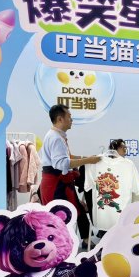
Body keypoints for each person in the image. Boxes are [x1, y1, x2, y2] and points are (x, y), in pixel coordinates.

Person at [39, 104, 99, 246]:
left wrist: (87, 158)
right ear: (60, 119)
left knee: (78, 209)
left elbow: (67, 157)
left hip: (61, 182)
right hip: (56, 185)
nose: (71, 120)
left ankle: (86, 241)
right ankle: (60, 246)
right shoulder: (55, 138)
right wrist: (88, 160)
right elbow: (62, 163)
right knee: (61, 215)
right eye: (69, 117)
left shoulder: (57, 136)